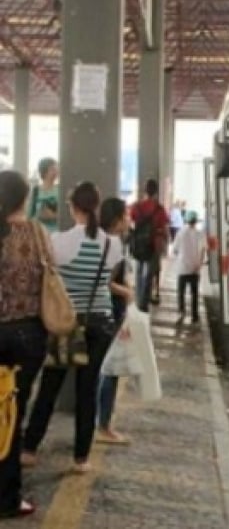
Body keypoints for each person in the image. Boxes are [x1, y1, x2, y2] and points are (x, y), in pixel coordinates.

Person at [22, 181, 123, 474]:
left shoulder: (59, 241)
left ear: (72, 207)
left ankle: (29, 448)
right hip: (102, 321)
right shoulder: (112, 244)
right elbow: (106, 281)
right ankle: (82, 458)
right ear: (96, 206)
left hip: (68, 322)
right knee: (87, 389)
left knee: (50, 385)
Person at [0, 171, 49, 518]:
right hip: (27, 335)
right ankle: (8, 497)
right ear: (24, 199)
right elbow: (51, 272)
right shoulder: (36, 232)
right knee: (12, 417)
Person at [95, 197, 134, 446]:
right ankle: (104, 426)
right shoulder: (113, 244)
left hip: (107, 311)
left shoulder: (102, 240)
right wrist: (126, 292)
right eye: (126, 215)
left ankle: (102, 423)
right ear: (117, 219)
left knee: (104, 368)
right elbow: (106, 282)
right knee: (111, 368)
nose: (129, 219)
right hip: (111, 311)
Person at [129, 179, 169, 312]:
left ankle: (138, 299)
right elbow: (163, 227)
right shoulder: (159, 209)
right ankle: (143, 303)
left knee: (139, 271)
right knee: (149, 274)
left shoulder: (136, 206)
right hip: (153, 245)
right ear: (156, 192)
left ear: (144, 190)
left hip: (139, 243)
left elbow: (131, 222)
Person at [172, 211, 206, 325]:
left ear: (186, 220)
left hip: (182, 268)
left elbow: (175, 250)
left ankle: (181, 312)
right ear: (196, 221)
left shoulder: (180, 233)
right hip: (194, 268)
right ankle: (194, 316)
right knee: (194, 293)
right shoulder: (200, 233)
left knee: (181, 292)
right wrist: (199, 264)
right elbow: (203, 250)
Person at [28, 157, 59, 233]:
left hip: (56, 233)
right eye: (52, 169)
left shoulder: (60, 190)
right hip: (39, 233)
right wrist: (39, 216)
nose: (56, 171)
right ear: (44, 171)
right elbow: (30, 215)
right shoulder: (36, 190)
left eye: (56, 168)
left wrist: (53, 216)